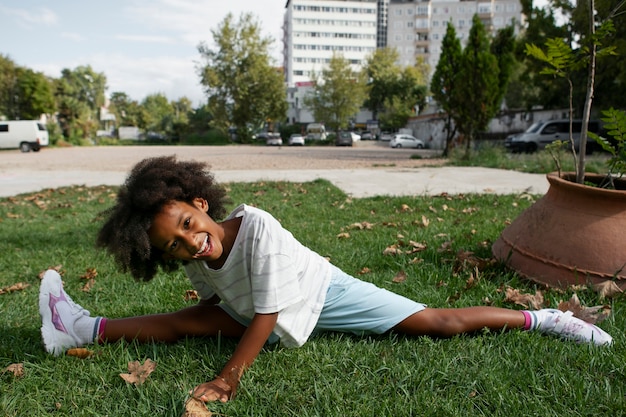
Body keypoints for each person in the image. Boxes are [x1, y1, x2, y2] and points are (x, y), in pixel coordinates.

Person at [39, 156, 613, 403]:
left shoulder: (256, 227)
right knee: (179, 322)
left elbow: (268, 316)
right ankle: (80, 327)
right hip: (253, 308)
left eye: (190, 224)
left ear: (200, 200)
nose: (191, 241)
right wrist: (207, 318)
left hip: (318, 293)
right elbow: (222, 299)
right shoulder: (196, 255)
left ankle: (547, 318)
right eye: (175, 244)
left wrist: (228, 378)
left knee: (436, 322)